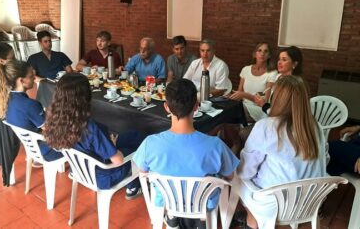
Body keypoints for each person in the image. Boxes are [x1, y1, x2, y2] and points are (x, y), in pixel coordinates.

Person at [133, 78, 239, 228]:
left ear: (166, 107)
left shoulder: (150, 143)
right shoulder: (215, 145)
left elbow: (143, 172)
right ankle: (199, 220)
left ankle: (172, 216)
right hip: (204, 203)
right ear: (196, 107)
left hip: (167, 201)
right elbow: (230, 175)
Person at [235, 75, 327, 229]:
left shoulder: (266, 126)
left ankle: (251, 220)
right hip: (308, 201)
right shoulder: (315, 126)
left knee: (236, 179)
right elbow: (325, 159)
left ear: (276, 98)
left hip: (274, 204)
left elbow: (245, 172)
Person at [44, 73, 145, 199]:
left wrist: (109, 144)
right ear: (85, 97)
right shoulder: (89, 127)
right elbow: (118, 160)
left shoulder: (55, 118)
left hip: (79, 168)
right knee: (137, 151)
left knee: (135, 135)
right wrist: (112, 145)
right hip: (103, 175)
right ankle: (134, 187)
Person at [0, 59, 62, 161]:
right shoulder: (30, 105)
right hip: (46, 150)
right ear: (21, 80)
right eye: (31, 76)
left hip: (31, 148)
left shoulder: (6, 99)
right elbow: (51, 129)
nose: (34, 78)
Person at [228, 43, 277, 122]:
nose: (262, 53)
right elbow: (239, 92)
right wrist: (229, 97)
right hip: (243, 105)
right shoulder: (246, 69)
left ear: (269, 56)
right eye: (259, 50)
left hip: (259, 108)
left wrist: (244, 95)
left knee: (231, 113)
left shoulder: (272, 73)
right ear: (255, 54)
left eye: (266, 51)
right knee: (224, 109)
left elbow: (264, 100)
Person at [254, 46, 303, 112]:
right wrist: (262, 99)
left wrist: (263, 105)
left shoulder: (293, 83)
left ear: (294, 64)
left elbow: (281, 112)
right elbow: (272, 102)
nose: (279, 62)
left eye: (284, 60)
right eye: (279, 59)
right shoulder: (278, 76)